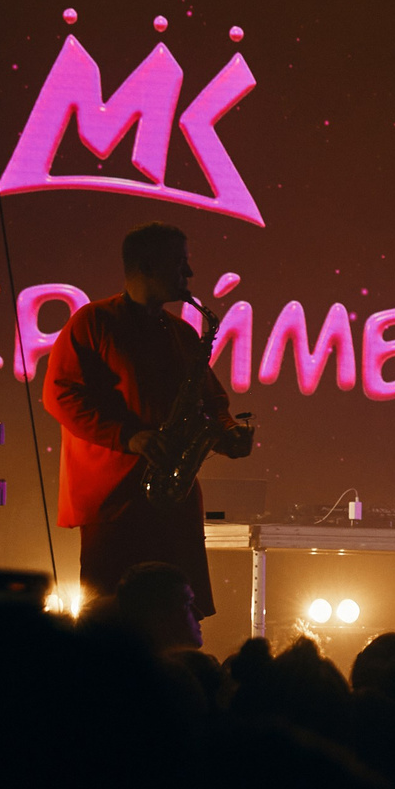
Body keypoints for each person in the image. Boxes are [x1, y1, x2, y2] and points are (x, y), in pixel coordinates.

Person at [44, 223, 253, 615]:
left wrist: (227, 432)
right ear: (146, 265)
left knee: (178, 616)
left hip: (172, 500)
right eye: (180, 263)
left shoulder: (181, 333)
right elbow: (61, 396)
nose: (188, 275)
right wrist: (129, 437)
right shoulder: (92, 322)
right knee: (109, 617)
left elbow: (210, 402)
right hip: (115, 502)